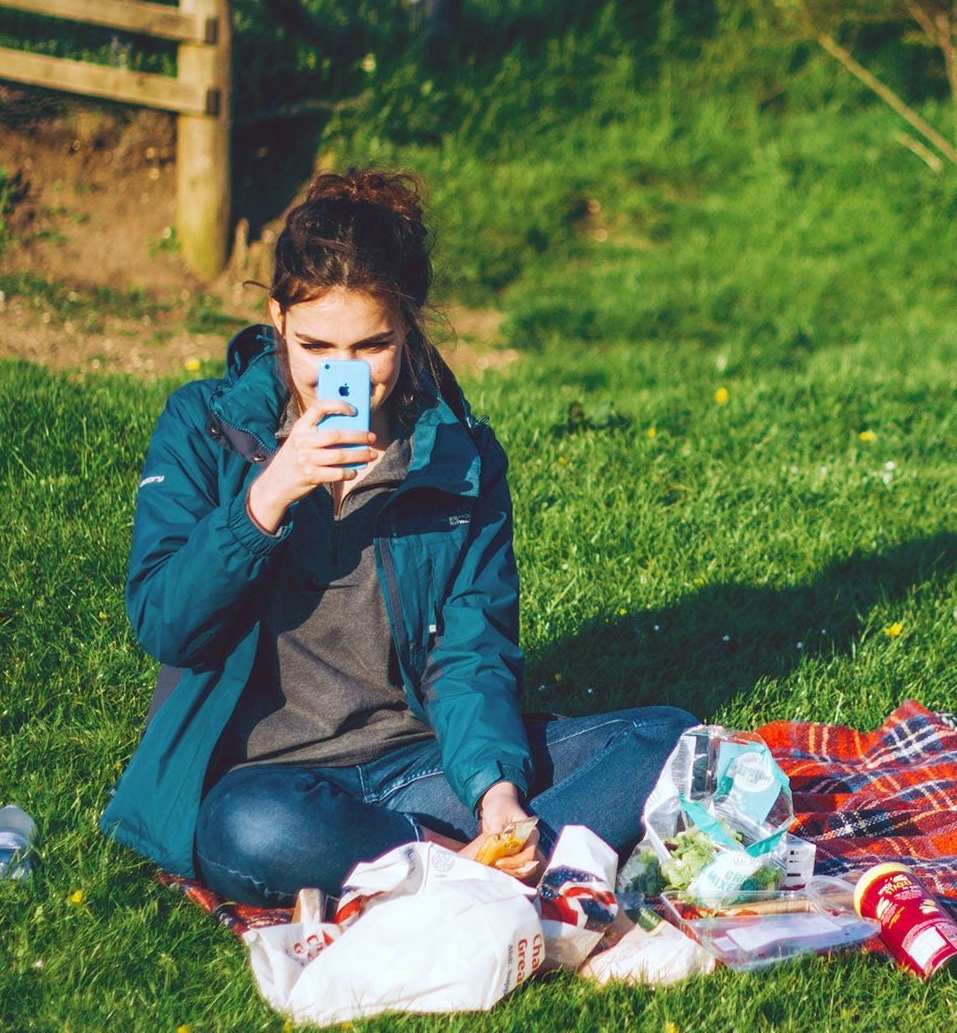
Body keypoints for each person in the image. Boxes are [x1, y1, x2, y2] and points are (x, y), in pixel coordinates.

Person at [99, 170, 696, 907]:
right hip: (270, 782)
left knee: (669, 739)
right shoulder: (204, 426)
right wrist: (264, 499)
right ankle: (489, 874)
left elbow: (470, 652)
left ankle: (462, 862)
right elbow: (167, 623)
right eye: (316, 344)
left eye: (371, 345)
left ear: (407, 327)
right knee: (244, 833)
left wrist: (498, 797)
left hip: (418, 765)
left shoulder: (455, 456)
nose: (340, 375)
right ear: (276, 318)